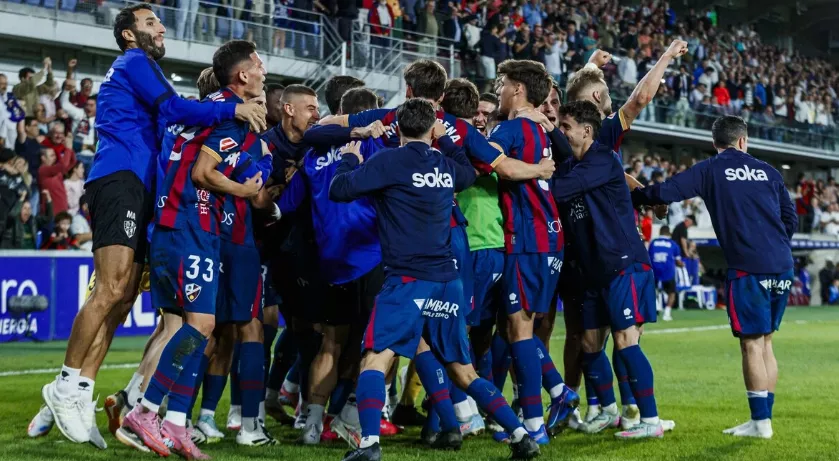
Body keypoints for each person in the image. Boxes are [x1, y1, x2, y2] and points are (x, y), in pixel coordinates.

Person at [40, 3, 266, 446]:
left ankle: (86, 393)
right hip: (120, 175)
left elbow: (173, 118)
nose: (161, 27)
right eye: (150, 22)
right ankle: (65, 384)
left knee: (123, 294)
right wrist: (231, 112)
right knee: (110, 290)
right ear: (128, 35)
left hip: (144, 188)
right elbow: (176, 109)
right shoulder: (134, 61)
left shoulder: (151, 71)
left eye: (159, 21)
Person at [329, 98, 539, 461]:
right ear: (432, 128)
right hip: (447, 281)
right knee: (464, 372)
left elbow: (339, 189)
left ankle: (368, 446)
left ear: (397, 129)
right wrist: (447, 141)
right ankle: (521, 435)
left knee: (375, 360)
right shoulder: (444, 163)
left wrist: (351, 157)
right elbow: (469, 173)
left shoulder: (388, 162)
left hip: (407, 280)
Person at [632, 115, 797, 439]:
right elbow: (789, 219)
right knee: (765, 343)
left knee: (751, 344)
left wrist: (633, 197)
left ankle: (760, 424)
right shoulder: (769, 171)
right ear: (743, 141)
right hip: (782, 265)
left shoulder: (711, 169)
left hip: (748, 267)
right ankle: (762, 419)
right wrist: (771, 244)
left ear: (716, 143)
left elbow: (667, 191)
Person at [551, 100, 663, 439]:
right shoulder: (573, 164)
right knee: (589, 343)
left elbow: (558, 190)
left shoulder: (600, 159)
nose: (561, 132)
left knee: (626, 340)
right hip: (592, 269)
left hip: (622, 264)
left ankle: (650, 419)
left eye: (565, 126)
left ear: (586, 130)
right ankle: (609, 410)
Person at [649, 226, 682, 322]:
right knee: (672, 292)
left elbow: (648, 256)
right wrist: (682, 264)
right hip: (668, 271)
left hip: (654, 270)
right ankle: (667, 313)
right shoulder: (673, 244)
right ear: (669, 233)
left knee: (651, 290)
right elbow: (678, 261)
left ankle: (657, 305)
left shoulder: (653, 242)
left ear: (660, 232)